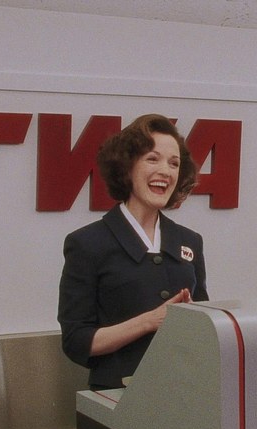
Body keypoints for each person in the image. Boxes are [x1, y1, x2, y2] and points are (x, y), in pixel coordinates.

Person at [58, 114, 209, 390]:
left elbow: (205, 329)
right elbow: (75, 341)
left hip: (183, 394)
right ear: (127, 167)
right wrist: (150, 321)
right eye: (152, 159)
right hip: (117, 399)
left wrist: (195, 319)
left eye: (174, 163)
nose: (165, 171)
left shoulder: (190, 241)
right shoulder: (87, 243)